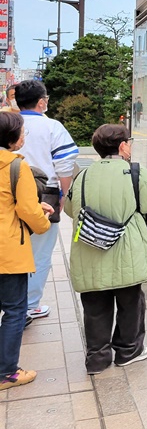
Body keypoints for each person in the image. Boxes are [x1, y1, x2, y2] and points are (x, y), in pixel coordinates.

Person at [66, 124, 147, 374]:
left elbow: (70, 210)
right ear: (122, 146)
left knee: (95, 304)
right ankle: (128, 351)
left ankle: (97, 359)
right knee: (130, 301)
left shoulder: (83, 176)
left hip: (89, 245)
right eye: (129, 142)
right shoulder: (134, 172)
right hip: (126, 247)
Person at [16, 80, 78, 321]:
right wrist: (62, 196)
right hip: (44, 194)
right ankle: (30, 304)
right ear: (41, 102)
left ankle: (12, 302)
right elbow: (64, 165)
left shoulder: (9, 124)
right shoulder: (52, 127)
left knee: (12, 246)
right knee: (40, 252)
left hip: (7, 192)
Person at [0, 112, 54, 389]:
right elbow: (26, 211)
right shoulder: (16, 167)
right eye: (22, 133)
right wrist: (43, 219)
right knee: (14, 311)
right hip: (7, 251)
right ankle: (7, 372)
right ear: (11, 138)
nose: (24, 137)